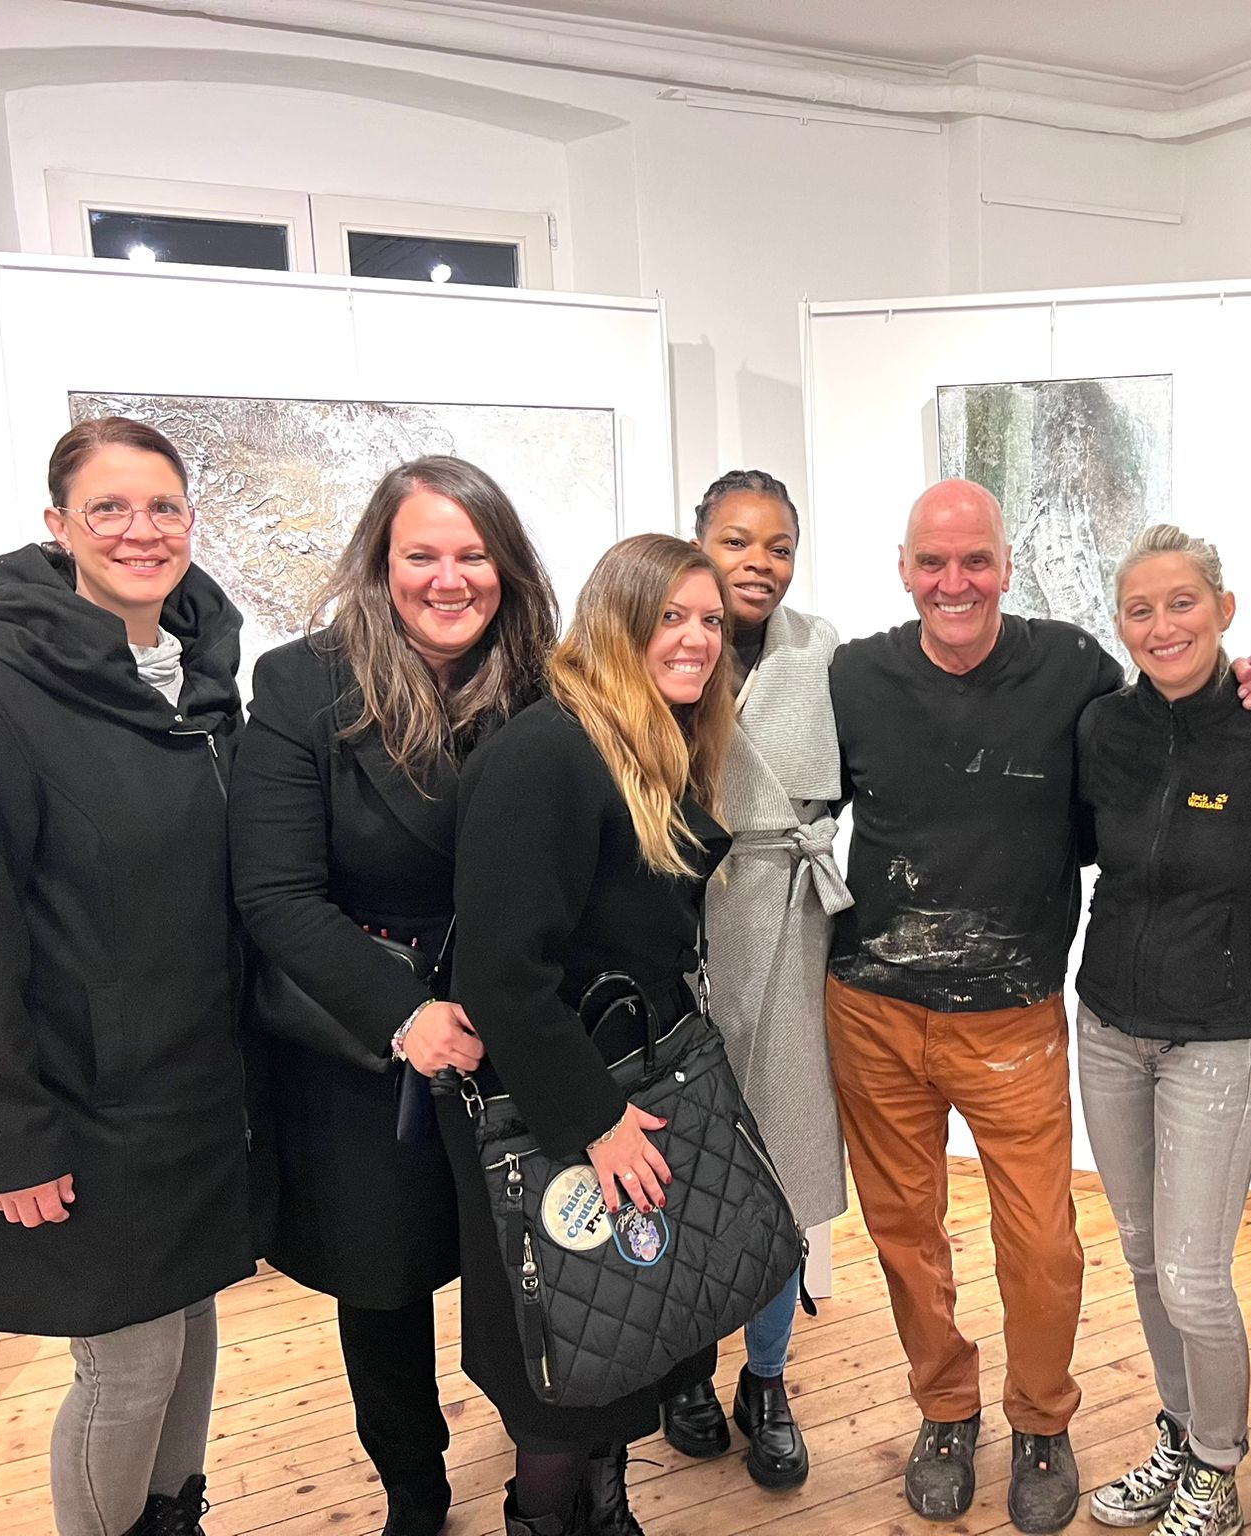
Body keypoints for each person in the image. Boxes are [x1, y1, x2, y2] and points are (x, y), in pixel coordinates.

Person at [826, 480, 1251, 1534]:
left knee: (1041, 1242)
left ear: (1005, 566)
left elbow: (1166, 734)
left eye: (974, 560)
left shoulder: (1073, 670)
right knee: (904, 1235)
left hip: (1013, 1015)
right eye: (932, 562)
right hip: (873, 1010)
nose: (954, 582)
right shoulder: (853, 676)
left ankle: (1041, 1419)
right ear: (903, 570)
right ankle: (945, 1410)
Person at [0, 417, 254, 1536]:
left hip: (192, 1090)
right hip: (77, 1103)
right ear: (58, 527)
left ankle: (173, 1518)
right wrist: (9, 1134)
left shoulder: (202, 684)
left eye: (163, 507)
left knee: (190, 1323)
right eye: (108, 508)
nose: (139, 530)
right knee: (129, 1362)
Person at [230, 457, 558, 1536]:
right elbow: (276, 893)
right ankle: (413, 1488)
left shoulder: (551, 683)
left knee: (540, 1269)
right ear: (381, 561)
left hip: (517, 1024)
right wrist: (406, 1016)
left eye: (473, 555)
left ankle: (555, 1482)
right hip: (366, 1032)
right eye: (422, 554)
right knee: (382, 1287)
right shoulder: (300, 683)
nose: (448, 578)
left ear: (507, 568)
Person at [447, 534, 737, 1536]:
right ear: (617, 623)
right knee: (561, 1366)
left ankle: (605, 1512)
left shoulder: (650, 741)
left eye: (711, 621)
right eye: (672, 617)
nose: (698, 639)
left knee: (621, 1333)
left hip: (622, 1086)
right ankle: (543, 1518)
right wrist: (596, 1122)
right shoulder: (548, 752)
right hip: (554, 1105)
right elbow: (501, 975)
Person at [1076, 526, 1251, 1536]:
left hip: (1219, 1039)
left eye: (1182, 603)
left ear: (1223, 610)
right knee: (1140, 1255)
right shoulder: (1103, 728)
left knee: (1191, 1274)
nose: (1161, 625)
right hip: (1106, 1027)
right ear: (1119, 625)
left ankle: (1217, 1470)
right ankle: (1179, 1435)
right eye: (1139, 609)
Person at [656, 470, 850, 1488]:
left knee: (781, 1168)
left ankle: (765, 1377)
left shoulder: (822, 652)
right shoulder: (658, 643)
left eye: (778, 546)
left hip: (790, 926)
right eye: (736, 541)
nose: (758, 563)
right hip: (676, 926)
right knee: (681, 1164)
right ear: (698, 542)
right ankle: (684, 1365)